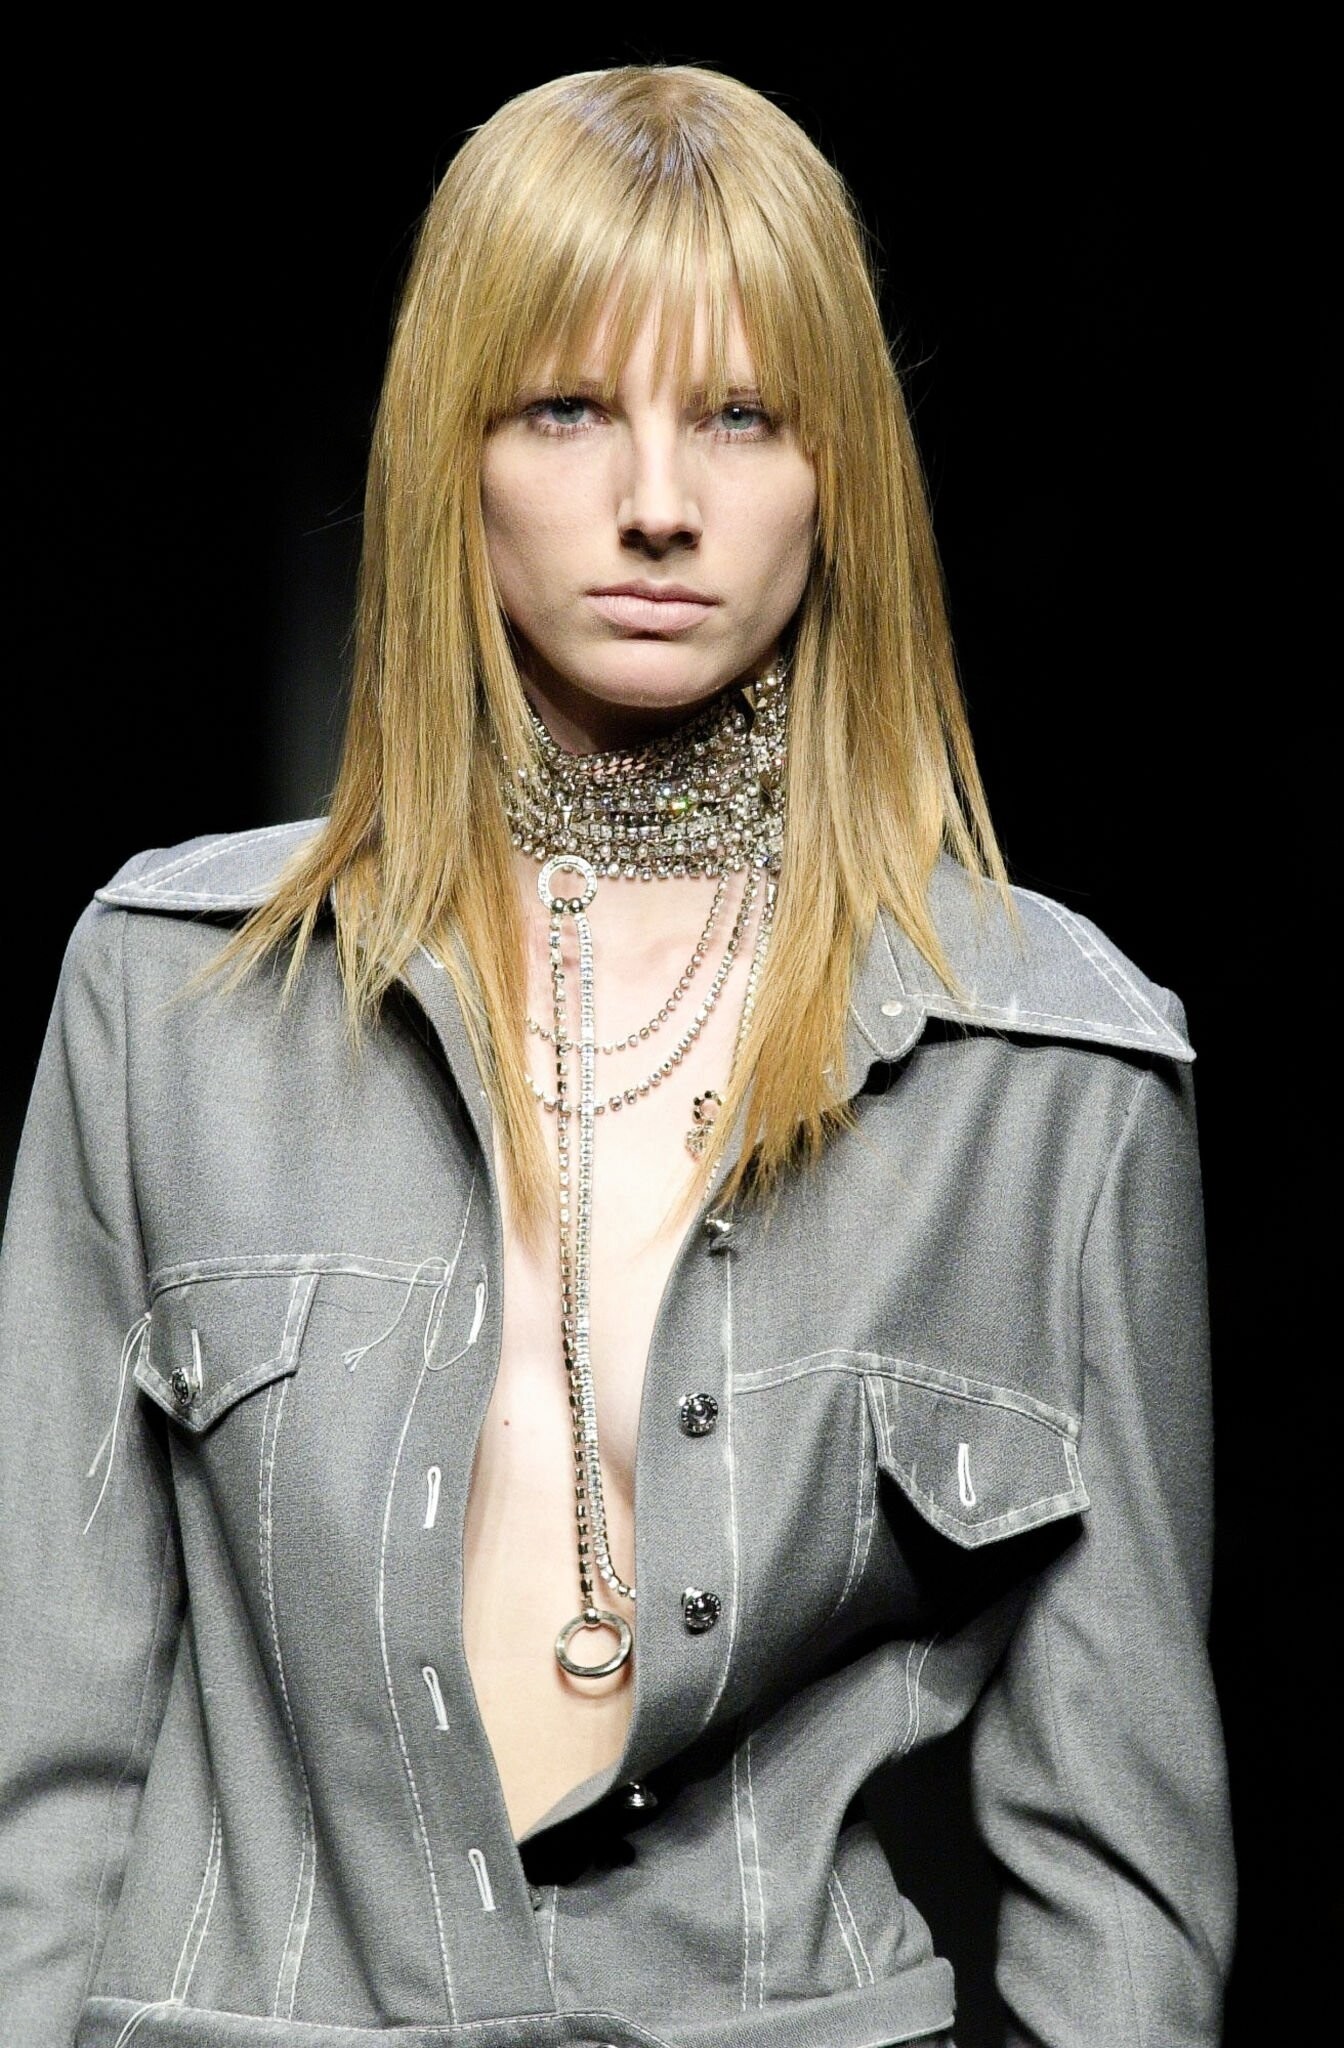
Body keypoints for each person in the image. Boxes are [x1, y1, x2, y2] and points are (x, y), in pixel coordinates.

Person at [0, 63, 1234, 2048]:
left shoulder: (1050, 1072)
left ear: (840, 474)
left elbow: (1124, 1877)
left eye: (742, 415)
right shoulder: (172, 999)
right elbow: (42, 1766)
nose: (659, 502)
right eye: (568, 407)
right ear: (452, 449)